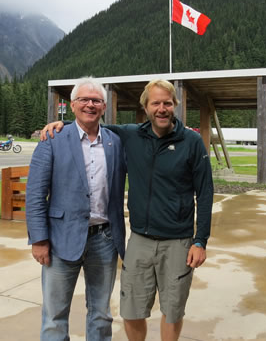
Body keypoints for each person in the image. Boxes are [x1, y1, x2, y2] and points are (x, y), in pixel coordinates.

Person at [41, 79, 214, 341]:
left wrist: (200, 240)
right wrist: (63, 124)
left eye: (167, 103)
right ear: (146, 107)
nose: (162, 108)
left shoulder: (191, 141)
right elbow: (91, 123)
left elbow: (205, 192)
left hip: (178, 241)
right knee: (132, 310)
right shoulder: (131, 135)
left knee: (172, 309)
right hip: (140, 240)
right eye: (156, 103)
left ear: (175, 106)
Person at [26, 77, 127, 340]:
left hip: (104, 241)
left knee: (101, 314)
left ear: (104, 107)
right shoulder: (52, 139)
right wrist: (39, 239)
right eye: (84, 99)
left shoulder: (115, 143)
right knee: (54, 317)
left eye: (96, 101)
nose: (90, 105)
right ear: (72, 105)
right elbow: (35, 194)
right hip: (60, 240)